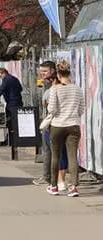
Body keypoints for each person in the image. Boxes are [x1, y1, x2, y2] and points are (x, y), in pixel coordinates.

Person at [46, 61, 85, 197]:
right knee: (72, 156)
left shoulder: (55, 89)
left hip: (57, 125)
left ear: (57, 74)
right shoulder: (78, 89)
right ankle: (73, 187)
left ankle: (54, 186)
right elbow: (81, 109)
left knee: (56, 156)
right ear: (70, 73)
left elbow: (52, 109)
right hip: (73, 125)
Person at [0, 67, 23, 145]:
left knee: (10, 122)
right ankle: (14, 139)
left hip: (12, 103)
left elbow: (1, 90)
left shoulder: (6, 80)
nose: (0, 77)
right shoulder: (14, 78)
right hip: (18, 102)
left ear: (3, 73)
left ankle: (11, 140)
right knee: (17, 122)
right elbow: (20, 88)